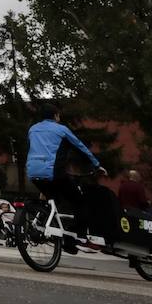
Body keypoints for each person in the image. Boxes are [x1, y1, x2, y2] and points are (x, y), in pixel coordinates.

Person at [26, 104, 105, 254]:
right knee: (80, 202)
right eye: (58, 116)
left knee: (53, 198)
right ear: (56, 116)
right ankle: (80, 238)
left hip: (33, 172)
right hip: (53, 173)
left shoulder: (33, 129)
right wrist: (96, 165)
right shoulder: (61, 129)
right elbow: (80, 147)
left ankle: (43, 223)